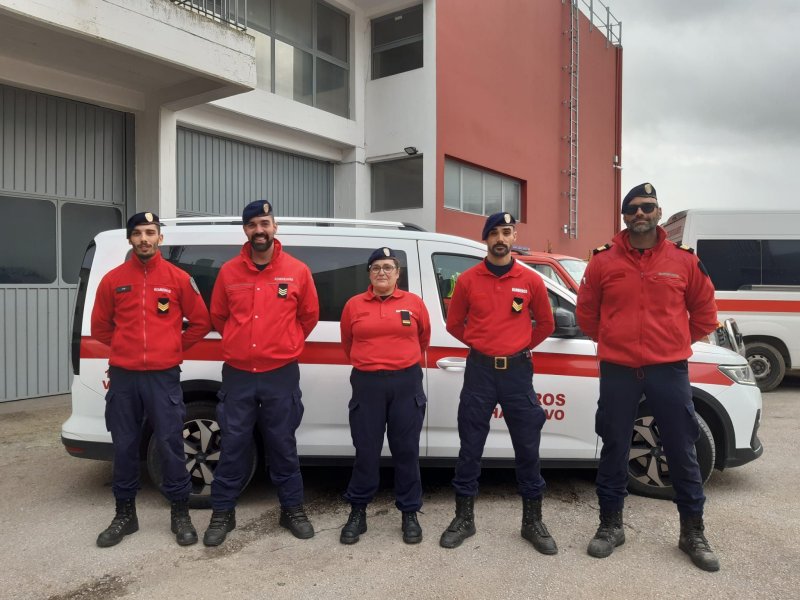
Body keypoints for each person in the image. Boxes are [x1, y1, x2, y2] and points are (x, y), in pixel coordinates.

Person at [576, 183, 720, 572]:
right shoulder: (602, 262)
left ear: (658, 212)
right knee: (614, 445)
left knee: (682, 448)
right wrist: (617, 341)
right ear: (624, 216)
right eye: (632, 208)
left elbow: (705, 314)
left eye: (647, 206)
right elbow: (587, 314)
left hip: (668, 370)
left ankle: (692, 532)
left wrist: (671, 343)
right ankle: (610, 526)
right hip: (618, 370)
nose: (640, 213)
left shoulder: (684, 261)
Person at [203, 200, 320, 547]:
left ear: (274, 227)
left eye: (265, 223)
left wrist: (284, 343)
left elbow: (308, 316)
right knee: (233, 445)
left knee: (283, 445)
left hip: (280, 374)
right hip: (238, 374)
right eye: (253, 225)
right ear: (245, 230)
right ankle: (222, 512)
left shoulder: (297, 271)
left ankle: (292, 509)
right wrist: (241, 342)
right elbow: (219, 316)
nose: (259, 230)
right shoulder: (229, 272)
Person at [439, 212, 557, 554]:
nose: (501, 239)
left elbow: (546, 324)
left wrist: (518, 346)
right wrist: (483, 344)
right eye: (494, 233)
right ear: (486, 239)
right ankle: (464, 518)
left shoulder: (530, 280)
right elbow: (454, 324)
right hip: (480, 371)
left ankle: (532, 522)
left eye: (506, 232)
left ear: (514, 236)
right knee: (470, 446)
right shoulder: (468, 280)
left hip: (517, 373)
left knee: (527, 446)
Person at [91, 211, 211, 547]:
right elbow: (100, 327)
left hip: (163, 377)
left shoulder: (178, 278)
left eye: (150, 232)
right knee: (125, 446)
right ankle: (125, 515)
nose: (144, 239)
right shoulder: (113, 280)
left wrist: (172, 348)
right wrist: (126, 349)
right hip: (124, 378)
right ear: (130, 239)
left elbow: (201, 322)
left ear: (160, 237)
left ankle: (180, 513)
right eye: (138, 233)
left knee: (171, 444)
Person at [338, 247, 431, 545]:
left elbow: (423, 338)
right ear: (369, 273)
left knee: (407, 451)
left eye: (388, 267)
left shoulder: (414, 303)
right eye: (376, 267)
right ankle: (358, 511)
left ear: (397, 273)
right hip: (367, 384)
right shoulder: (354, 305)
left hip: (406, 383)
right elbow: (347, 343)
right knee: (366, 451)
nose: (382, 272)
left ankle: (409, 512)